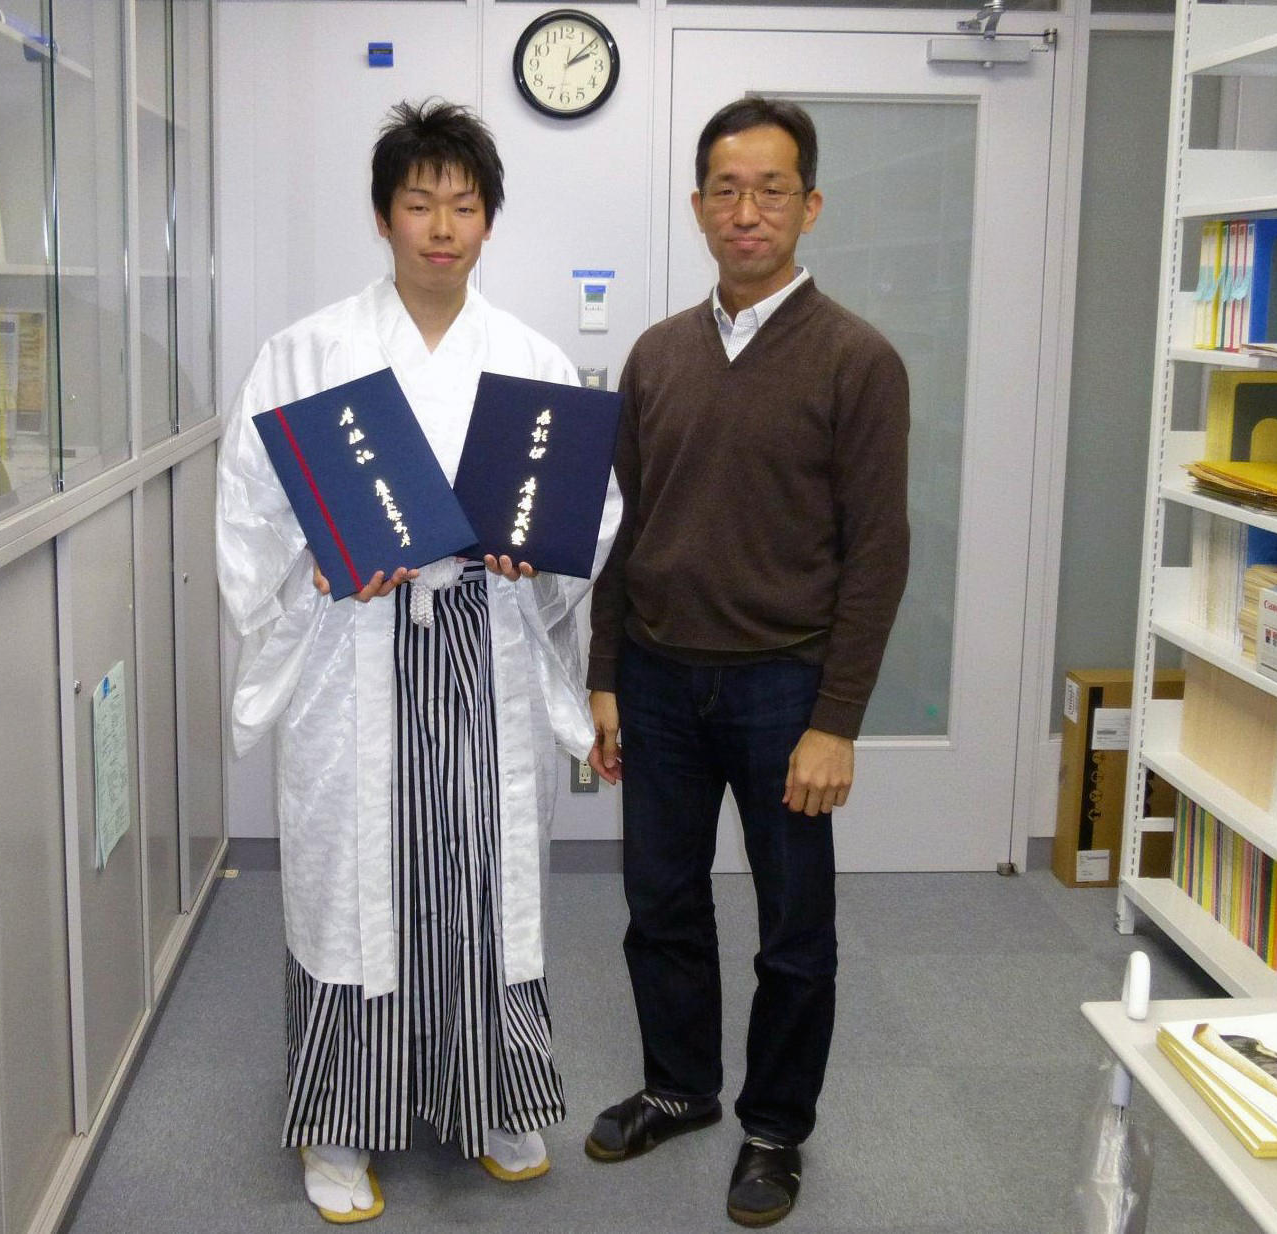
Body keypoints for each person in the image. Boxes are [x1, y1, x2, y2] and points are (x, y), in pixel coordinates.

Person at [217, 99, 620, 1224]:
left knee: (483, 877)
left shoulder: (531, 359)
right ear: (384, 215)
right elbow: (249, 512)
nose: (442, 227)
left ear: (488, 221)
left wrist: (535, 553)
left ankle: (491, 1099)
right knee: (358, 886)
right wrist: (323, 564)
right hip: (353, 648)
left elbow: (587, 512)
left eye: (464, 206)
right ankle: (341, 1124)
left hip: (486, 644)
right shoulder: (305, 354)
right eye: (419, 203)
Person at [582, 97, 910, 1228]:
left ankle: (774, 1129)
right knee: (659, 903)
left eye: (771, 189)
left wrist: (837, 720)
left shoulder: (857, 360)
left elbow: (878, 554)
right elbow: (622, 528)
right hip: (659, 680)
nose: (747, 210)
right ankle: (679, 1086)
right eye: (725, 189)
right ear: (697, 207)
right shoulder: (655, 354)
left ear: (809, 206)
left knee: (794, 929)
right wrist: (604, 674)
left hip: (784, 687)